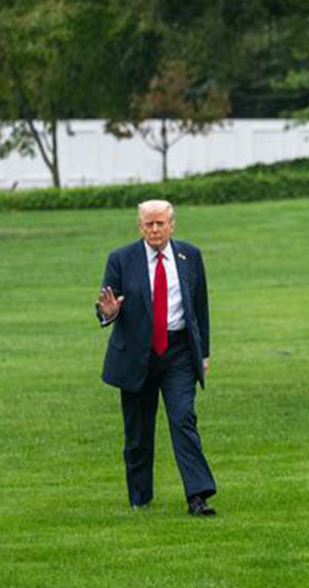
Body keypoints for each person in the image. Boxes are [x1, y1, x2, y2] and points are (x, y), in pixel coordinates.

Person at [96, 199, 217, 516]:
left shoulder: (190, 255)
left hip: (178, 353)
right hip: (137, 354)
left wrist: (203, 352)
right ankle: (140, 496)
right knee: (137, 431)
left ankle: (198, 495)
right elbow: (105, 304)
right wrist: (108, 313)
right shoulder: (121, 259)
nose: (154, 229)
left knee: (183, 419)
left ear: (171, 225)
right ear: (140, 227)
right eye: (148, 224)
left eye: (160, 223)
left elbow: (200, 307)